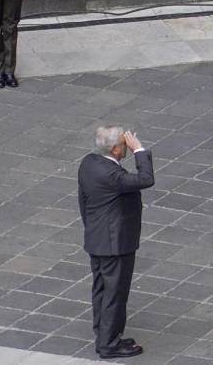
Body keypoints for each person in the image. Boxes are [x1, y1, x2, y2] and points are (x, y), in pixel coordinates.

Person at [78, 127, 154, 359]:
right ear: (115, 149)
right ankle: (109, 345)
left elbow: (83, 200)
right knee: (115, 293)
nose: (127, 146)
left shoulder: (88, 163)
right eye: (125, 143)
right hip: (115, 244)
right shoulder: (113, 176)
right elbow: (145, 179)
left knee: (101, 290)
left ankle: (104, 334)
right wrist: (139, 149)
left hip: (97, 238)